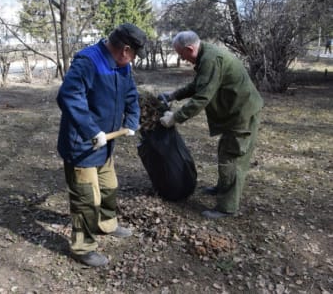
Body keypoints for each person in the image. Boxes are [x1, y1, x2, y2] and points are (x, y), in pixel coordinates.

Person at [56, 23, 147, 266]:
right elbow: (68, 96)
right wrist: (90, 130)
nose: (133, 60)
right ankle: (82, 247)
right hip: (82, 145)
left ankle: (106, 223)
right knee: (87, 198)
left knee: (109, 187)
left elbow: (130, 95)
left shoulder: (122, 66)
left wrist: (132, 119)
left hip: (106, 144)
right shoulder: (88, 62)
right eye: (135, 55)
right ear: (126, 50)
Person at [158, 31, 263, 220]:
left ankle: (227, 207)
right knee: (226, 151)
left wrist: (176, 117)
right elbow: (198, 85)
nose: (183, 59)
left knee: (232, 159)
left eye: (182, 55)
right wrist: (174, 95)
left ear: (190, 48)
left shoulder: (211, 59)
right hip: (234, 113)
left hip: (242, 115)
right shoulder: (206, 55)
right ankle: (223, 188)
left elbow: (202, 98)